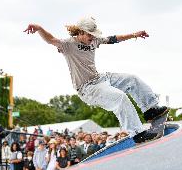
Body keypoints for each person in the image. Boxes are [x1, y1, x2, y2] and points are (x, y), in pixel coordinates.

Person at [24, 17, 170, 143]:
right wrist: (39, 28)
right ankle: (138, 133)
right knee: (119, 98)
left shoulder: (94, 40)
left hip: (101, 78)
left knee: (133, 79)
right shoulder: (68, 45)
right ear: (80, 32)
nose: (93, 38)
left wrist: (133, 35)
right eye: (90, 35)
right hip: (88, 89)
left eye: (94, 35)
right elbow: (51, 40)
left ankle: (150, 110)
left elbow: (113, 39)